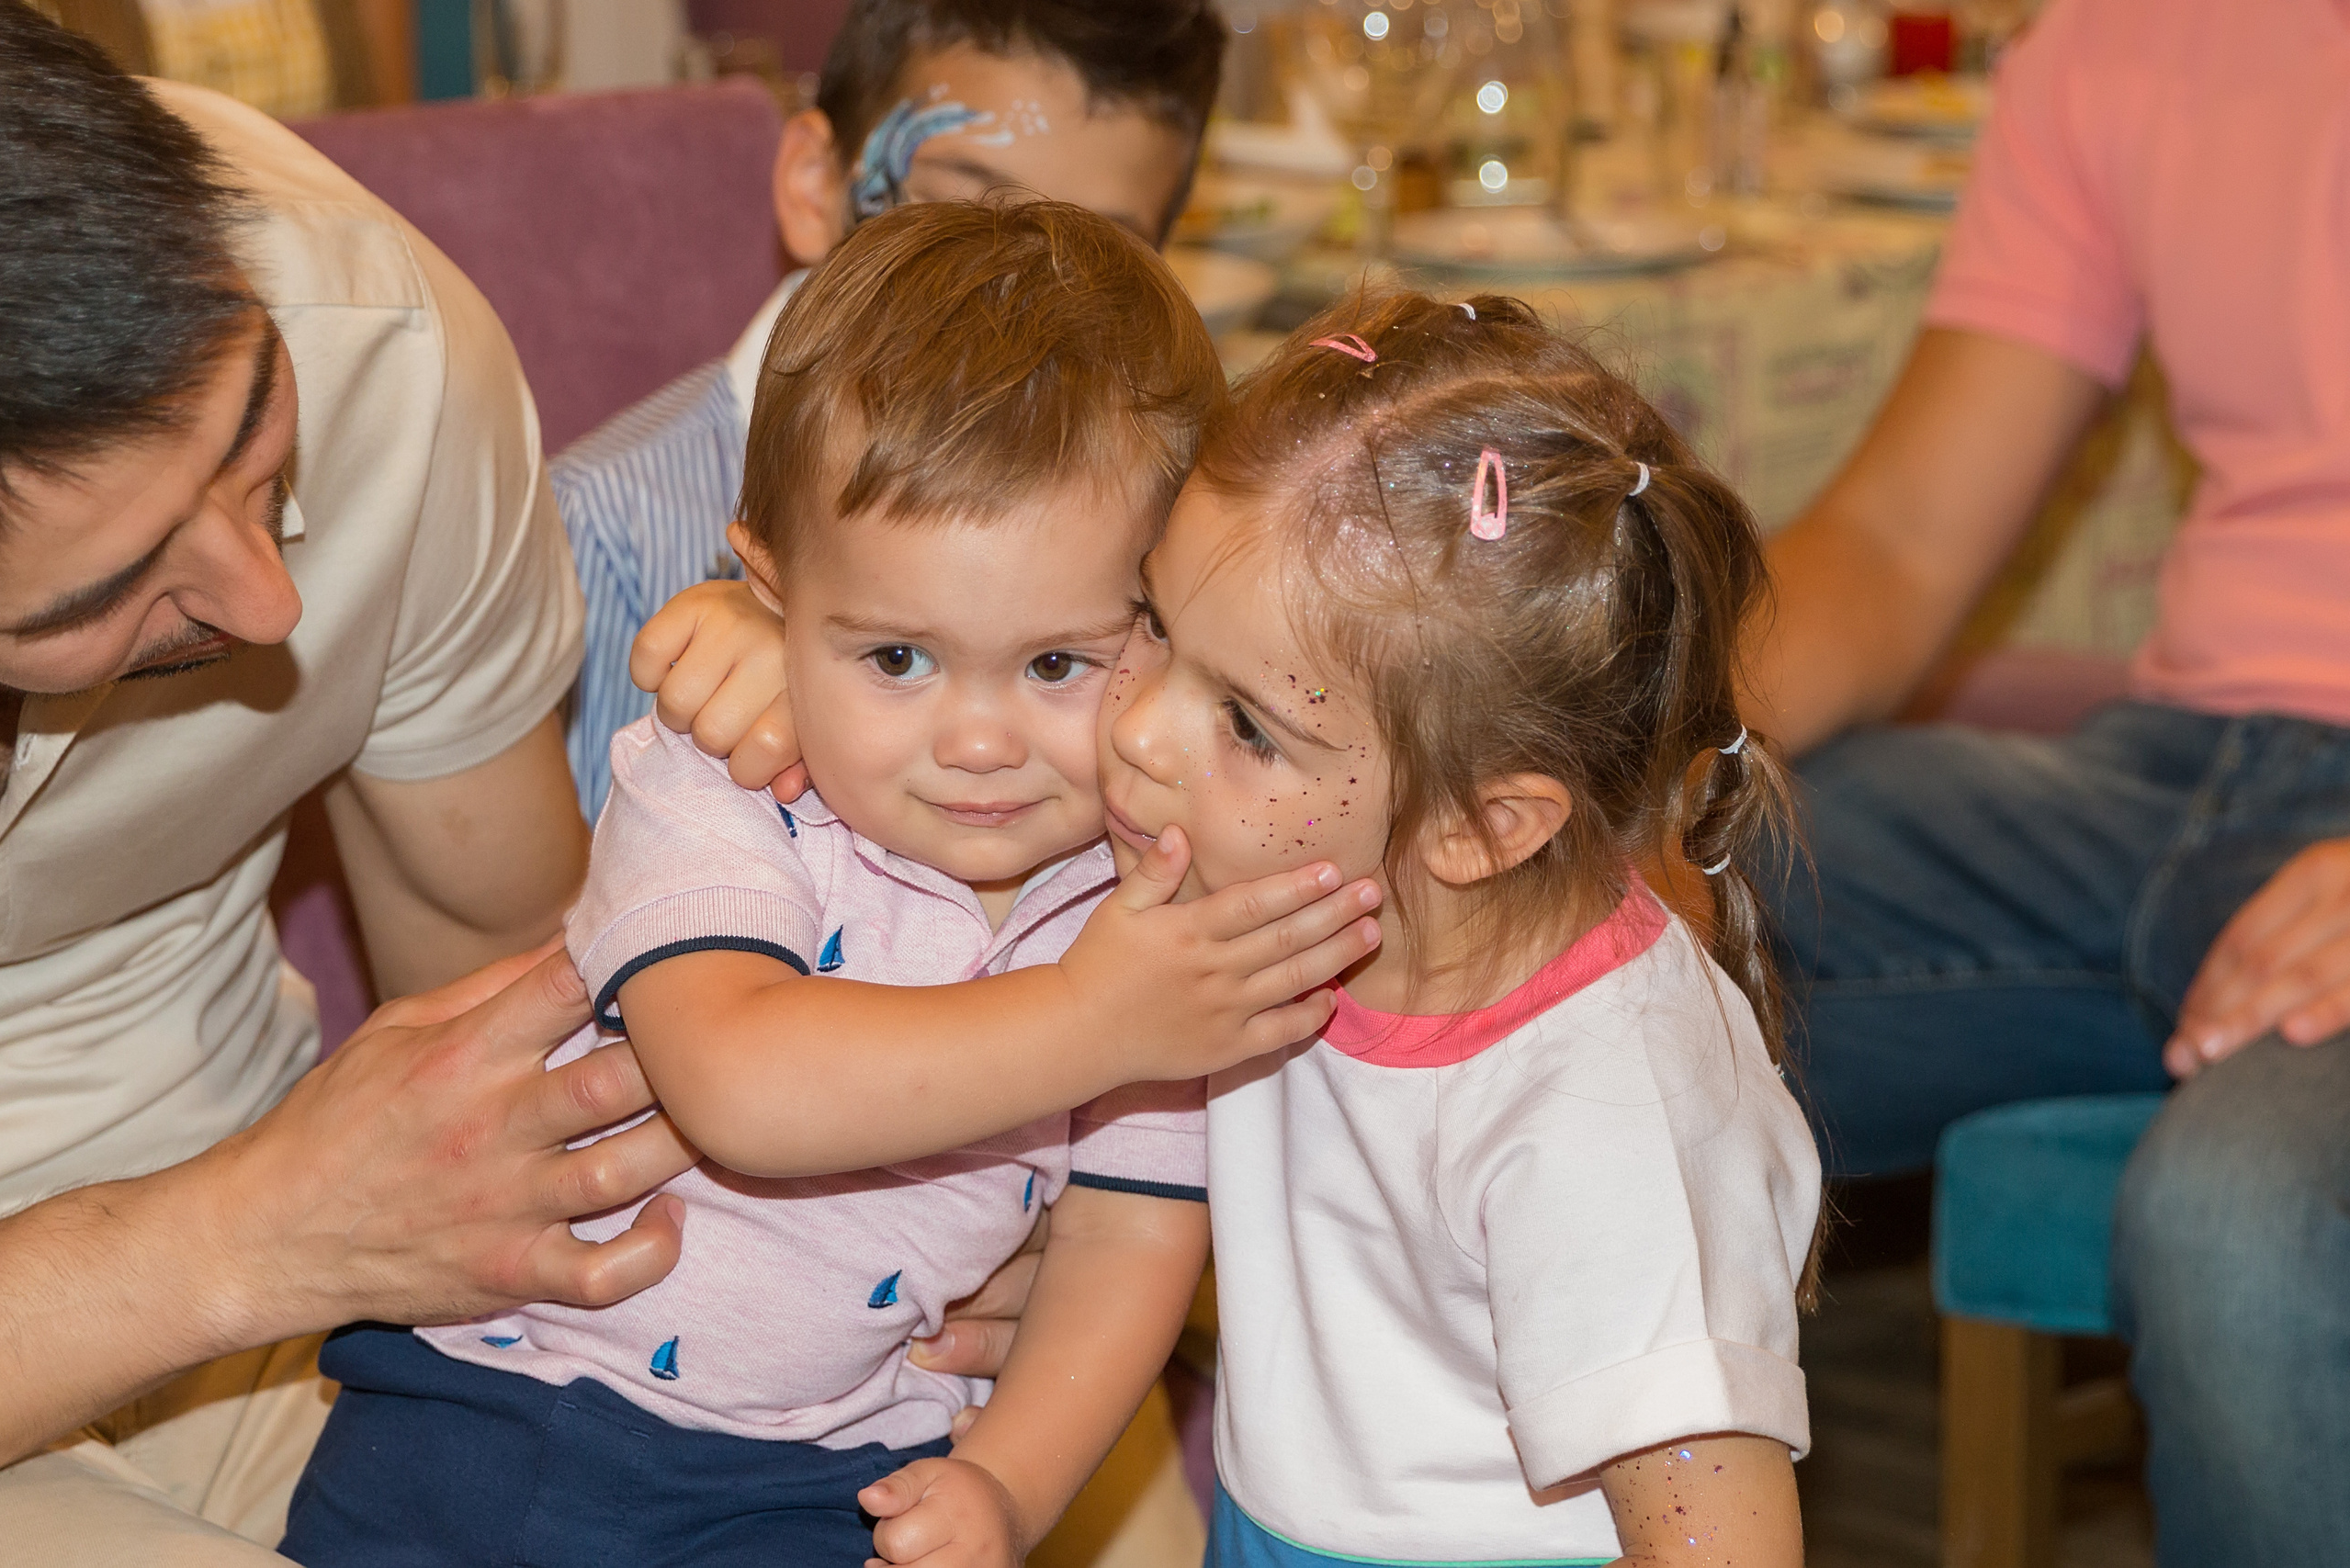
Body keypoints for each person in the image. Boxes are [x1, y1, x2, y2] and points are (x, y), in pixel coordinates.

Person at [278, 200, 1385, 1568]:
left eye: (1057, 664)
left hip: (848, 1462)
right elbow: (743, 1084)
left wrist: (1006, 1484)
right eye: (898, 659)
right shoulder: (724, 776)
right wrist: (1102, 1017)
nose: (977, 741)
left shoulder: (1151, 893)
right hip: (519, 1403)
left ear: (1169, 620)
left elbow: (1128, 1241)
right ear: (773, 589)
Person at [0, 5, 695, 1558]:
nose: (268, 606)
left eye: (252, 432)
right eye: (89, 596)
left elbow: (504, 967)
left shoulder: (362, 323)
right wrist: (250, 1233)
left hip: (256, 1225)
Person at [1744, 0, 2350, 1559]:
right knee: (1523, 916)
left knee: (2240, 1217)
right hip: (2176, 786)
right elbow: (1896, 545)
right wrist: (1610, 753)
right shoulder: (2126, 37)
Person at [1086, 291, 1820, 1567]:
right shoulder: (1271, 878)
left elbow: (1721, 1545)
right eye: (1155, 625)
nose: (1139, 731)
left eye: (1248, 722)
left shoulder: (1606, 1115)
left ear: (1482, 826)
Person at [559, 0, 1225, 819]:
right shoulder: (604, 527)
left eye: (1102, 249)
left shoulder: (1176, 490)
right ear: (814, 187)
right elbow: (577, 925)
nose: (1020, 292)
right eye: (956, 215)